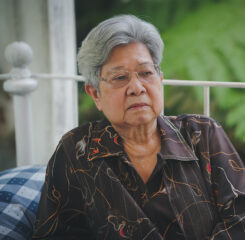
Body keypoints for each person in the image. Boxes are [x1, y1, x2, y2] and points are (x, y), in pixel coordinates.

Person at [32, 15, 245, 240]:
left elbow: (240, 218)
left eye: (145, 73)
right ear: (95, 94)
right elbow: (54, 234)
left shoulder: (202, 133)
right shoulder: (76, 151)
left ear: (160, 79)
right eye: (120, 77)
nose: (136, 87)